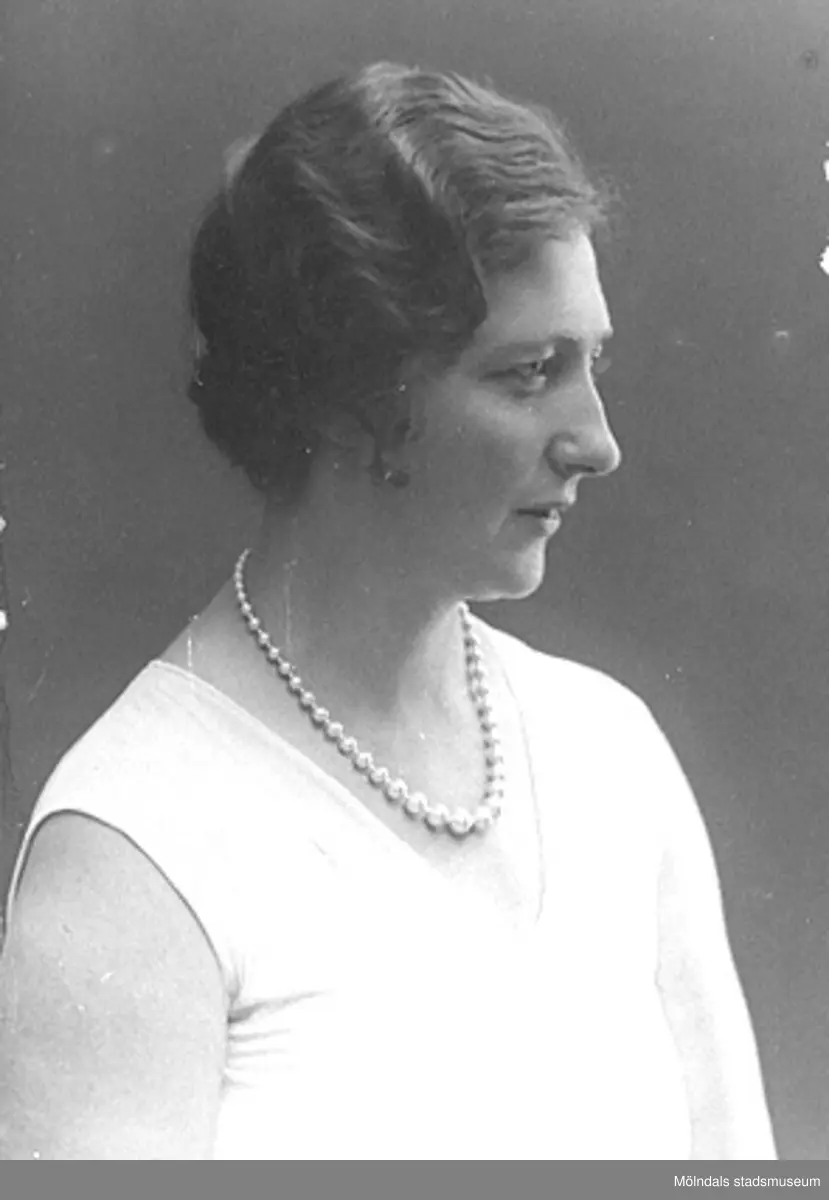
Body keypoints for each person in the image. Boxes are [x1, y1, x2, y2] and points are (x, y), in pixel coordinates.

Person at [0, 61, 776, 1160]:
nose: (596, 442)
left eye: (591, 362)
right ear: (351, 398)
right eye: (529, 372)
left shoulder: (611, 754)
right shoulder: (134, 849)